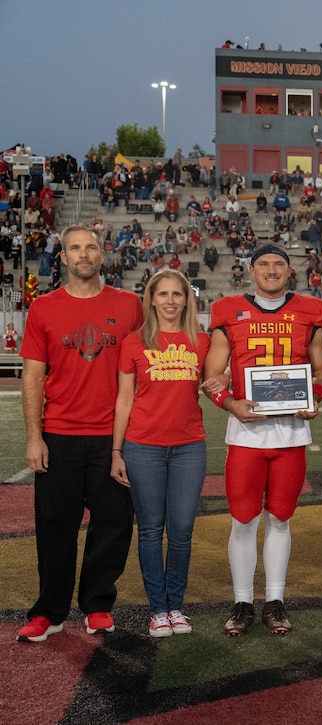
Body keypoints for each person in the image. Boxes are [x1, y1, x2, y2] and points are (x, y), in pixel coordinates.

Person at [17, 224, 143, 642]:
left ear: (103, 255)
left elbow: (148, 363)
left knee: (113, 524)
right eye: (75, 248)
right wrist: (34, 437)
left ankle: (97, 605)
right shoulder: (44, 308)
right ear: (64, 257)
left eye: (91, 247)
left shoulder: (130, 305)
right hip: (60, 434)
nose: (83, 254)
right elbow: (33, 377)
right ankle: (49, 611)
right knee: (55, 525)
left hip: (115, 438)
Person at [203, 245, 322, 636]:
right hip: (245, 435)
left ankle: (275, 601)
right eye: (263, 264)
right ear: (251, 270)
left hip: (291, 434)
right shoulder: (227, 310)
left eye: (278, 264)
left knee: (280, 519)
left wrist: (314, 398)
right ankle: (242, 602)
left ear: (290, 271)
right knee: (243, 520)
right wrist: (230, 403)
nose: (271, 270)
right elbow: (212, 375)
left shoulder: (311, 310)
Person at [110, 270, 212, 637]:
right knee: (151, 530)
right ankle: (158, 609)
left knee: (182, 530)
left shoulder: (202, 341)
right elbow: (124, 400)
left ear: (187, 300)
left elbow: (217, 382)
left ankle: (176, 606)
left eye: (177, 294)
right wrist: (116, 451)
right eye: (163, 294)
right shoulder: (134, 342)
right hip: (142, 447)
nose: (170, 301)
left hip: (189, 447)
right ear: (151, 299)